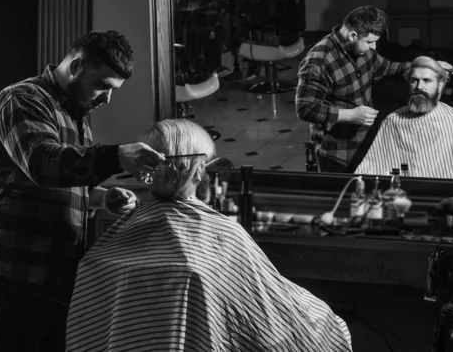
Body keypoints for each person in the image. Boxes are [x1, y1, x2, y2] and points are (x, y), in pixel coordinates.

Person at [66, 119, 352, 352]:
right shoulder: (226, 233)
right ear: (199, 169)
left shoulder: (118, 237)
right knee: (322, 319)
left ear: (143, 173)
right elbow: (269, 318)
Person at [0, 30, 166, 352]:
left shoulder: (76, 114)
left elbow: (52, 183)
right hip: (14, 275)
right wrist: (116, 156)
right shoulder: (22, 99)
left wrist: (100, 197)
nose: (107, 99)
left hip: (53, 278)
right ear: (76, 66)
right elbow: (43, 164)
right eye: (103, 86)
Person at [295, 5, 452, 173]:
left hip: (367, 142)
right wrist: (350, 115)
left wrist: (427, 67)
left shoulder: (365, 51)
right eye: (370, 42)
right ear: (353, 35)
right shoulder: (319, 61)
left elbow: (389, 67)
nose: (374, 48)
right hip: (337, 153)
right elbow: (306, 108)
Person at [355, 56, 453, 179]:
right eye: (414, 80)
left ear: (440, 85)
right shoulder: (393, 121)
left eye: (427, 80)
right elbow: (370, 170)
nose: (419, 87)